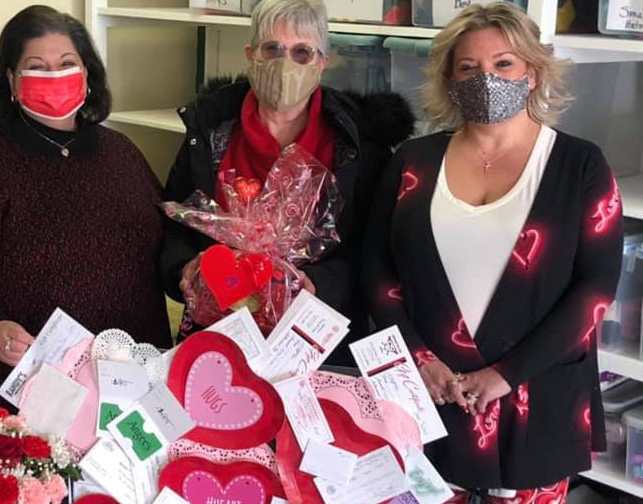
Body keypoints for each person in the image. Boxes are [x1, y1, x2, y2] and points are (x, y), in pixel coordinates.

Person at [363, 3, 622, 501]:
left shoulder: (578, 164)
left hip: (536, 400)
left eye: (503, 63)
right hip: (430, 397)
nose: (486, 78)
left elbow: (595, 287)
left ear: (532, 71)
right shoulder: (412, 162)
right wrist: (420, 358)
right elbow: (377, 270)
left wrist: (506, 374)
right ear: (449, 79)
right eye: (468, 67)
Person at [0, 5, 169, 419]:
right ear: (11, 80)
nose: (54, 76)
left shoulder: (122, 153)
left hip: (127, 372)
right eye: (36, 67)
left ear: (88, 73)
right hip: (28, 383)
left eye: (67, 64)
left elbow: (160, 239)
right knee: (41, 484)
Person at [158, 0, 414, 362]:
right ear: (250, 55)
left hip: (315, 337)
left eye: (302, 52)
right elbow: (176, 225)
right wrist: (184, 269)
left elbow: (376, 251)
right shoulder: (209, 133)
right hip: (220, 327)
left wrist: (319, 284)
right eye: (272, 49)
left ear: (322, 63)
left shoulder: (359, 145)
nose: (285, 63)